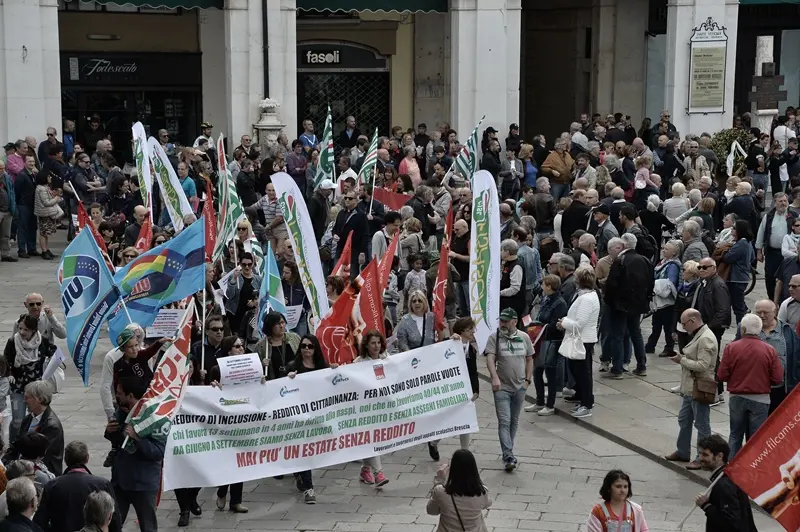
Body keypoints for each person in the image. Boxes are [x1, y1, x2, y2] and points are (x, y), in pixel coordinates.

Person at [717, 313, 783, 459]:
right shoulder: (770, 350)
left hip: (737, 397)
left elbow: (721, 375)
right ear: (759, 330)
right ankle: (752, 472)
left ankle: (730, 472)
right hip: (761, 398)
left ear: (743, 329)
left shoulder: (731, 348)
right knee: (756, 439)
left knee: (735, 435)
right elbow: (778, 378)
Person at [105, 377, 164, 532]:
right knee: (113, 525)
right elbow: (118, 442)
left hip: (143, 483)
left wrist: (138, 439)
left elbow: (158, 452)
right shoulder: (121, 410)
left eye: (119, 393)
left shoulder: (154, 415)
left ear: (130, 395)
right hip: (120, 481)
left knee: (148, 526)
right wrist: (110, 431)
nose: (116, 396)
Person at [285, 335, 338, 504]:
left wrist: (335, 370)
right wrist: (289, 378)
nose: (306, 349)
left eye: (310, 346)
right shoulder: (293, 367)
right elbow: (282, 388)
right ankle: (309, 488)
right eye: (303, 346)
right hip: (300, 417)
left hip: (318, 415)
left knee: (310, 451)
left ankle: (299, 473)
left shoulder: (322, 367)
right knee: (305, 449)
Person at [664, 309, 717, 470]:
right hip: (689, 388)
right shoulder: (698, 335)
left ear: (693, 320)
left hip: (699, 388)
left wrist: (682, 360)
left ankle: (702, 458)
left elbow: (703, 365)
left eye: (684, 323)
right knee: (684, 420)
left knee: (702, 424)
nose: (683, 327)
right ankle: (682, 451)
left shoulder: (706, 338)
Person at [485, 308, 533, 472]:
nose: (502, 324)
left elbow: (529, 359)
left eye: (506, 321)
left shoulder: (524, 337)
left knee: (514, 421)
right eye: (501, 321)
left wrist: (527, 380)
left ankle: (508, 450)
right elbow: (490, 358)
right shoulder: (495, 337)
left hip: (519, 387)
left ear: (515, 321)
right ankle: (508, 455)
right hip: (502, 388)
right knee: (504, 421)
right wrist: (494, 377)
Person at [33, 441, 117, 532]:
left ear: (65, 460)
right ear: (87, 459)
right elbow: (114, 519)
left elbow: (40, 521)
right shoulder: (102, 484)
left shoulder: (52, 485)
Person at [603, 233, 654, 379]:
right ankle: (641, 365)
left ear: (623, 245)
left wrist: (609, 302)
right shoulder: (644, 260)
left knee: (617, 335)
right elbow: (651, 282)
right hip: (638, 304)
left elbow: (612, 285)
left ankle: (617, 369)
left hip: (620, 305)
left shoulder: (620, 260)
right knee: (636, 333)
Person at [4, 316, 54, 443]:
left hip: (36, 387)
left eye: (25, 329)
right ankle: (14, 444)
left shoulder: (42, 341)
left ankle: (34, 443)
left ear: (33, 330)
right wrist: (9, 373)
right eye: (20, 328)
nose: (21, 332)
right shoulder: (12, 342)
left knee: (38, 417)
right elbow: (5, 360)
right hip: (18, 386)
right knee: (17, 420)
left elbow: (54, 354)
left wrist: (51, 366)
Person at [559, 268, 600, 418]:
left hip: (582, 339)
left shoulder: (586, 299)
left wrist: (563, 322)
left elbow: (579, 324)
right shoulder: (587, 296)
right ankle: (583, 399)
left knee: (583, 373)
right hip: (582, 338)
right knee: (578, 371)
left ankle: (587, 404)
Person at [694, 435, 758, 532]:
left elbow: (731, 523)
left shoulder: (724, 484)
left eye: (705, 455)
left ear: (720, 456)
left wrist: (706, 506)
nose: (700, 458)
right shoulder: (727, 477)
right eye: (699, 454)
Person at [352, 331, 390, 487]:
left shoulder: (387, 359)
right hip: (365, 409)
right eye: (373, 343)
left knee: (374, 439)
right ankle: (378, 473)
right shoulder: (359, 363)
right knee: (371, 437)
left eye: (379, 342)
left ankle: (365, 469)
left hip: (382, 407)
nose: (376, 346)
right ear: (366, 345)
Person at [526, 275, 567, 416]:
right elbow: (541, 315)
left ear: (549, 286)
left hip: (552, 341)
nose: (542, 287)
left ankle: (550, 404)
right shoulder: (545, 299)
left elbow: (556, 324)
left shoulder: (559, 303)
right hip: (541, 339)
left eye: (543, 284)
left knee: (550, 371)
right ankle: (539, 401)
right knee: (537, 370)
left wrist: (540, 326)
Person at [425, 449, 492, 532]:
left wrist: (439, 480)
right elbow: (487, 503)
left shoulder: (441, 492)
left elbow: (431, 510)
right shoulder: (482, 492)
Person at [753, 299, 800, 414]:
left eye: (766, 312)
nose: (762, 316)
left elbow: (797, 358)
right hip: (756, 388)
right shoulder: (748, 329)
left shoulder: (787, 331)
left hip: (780, 388)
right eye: (759, 312)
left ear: (775, 312)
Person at [695, 258, 731, 403]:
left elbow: (723, 310)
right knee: (709, 359)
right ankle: (713, 391)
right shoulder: (706, 283)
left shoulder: (717, 285)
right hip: (707, 326)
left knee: (712, 360)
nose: (701, 269)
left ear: (714, 268)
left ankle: (717, 392)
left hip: (714, 328)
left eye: (705, 267)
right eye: (699, 267)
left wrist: (708, 327)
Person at [646, 240, 682, 357]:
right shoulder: (662, 262)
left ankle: (669, 347)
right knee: (656, 324)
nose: (663, 250)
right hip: (659, 299)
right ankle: (650, 345)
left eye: (666, 249)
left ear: (673, 253)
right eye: (663, 248)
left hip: (668, 300)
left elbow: (670, 282)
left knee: (668, 325)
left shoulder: (673, 265)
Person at [756, 192, 794, 300]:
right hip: (772, 253)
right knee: (770, 277)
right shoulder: (768, 216)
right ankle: (772, 299)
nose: (783, 203)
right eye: (780, 201)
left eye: (785, 201)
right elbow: (761, 233)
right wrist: (759, 251)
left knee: (787, 277)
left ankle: (786, 299)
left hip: (789, 253)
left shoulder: (794, 216)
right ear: (775, 203)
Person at [722, 220, 755, 324]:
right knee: (738, 302)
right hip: (741, 278)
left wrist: (726, 250)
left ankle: (741, 329)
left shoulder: (742, 243)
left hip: (737, 279)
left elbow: (727, 258)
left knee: (738, 307)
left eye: (734, 228)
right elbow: (752, 258)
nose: (732, 230)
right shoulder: (748, 243)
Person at [256, 311, 300, 381]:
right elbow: (254, 369)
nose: (281, 326)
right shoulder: (261, 345)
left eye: (283, 322)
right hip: (274, 384)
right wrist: (261, 364)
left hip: (296, 379)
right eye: (277, 324)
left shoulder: (294, 338)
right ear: (270, 326)